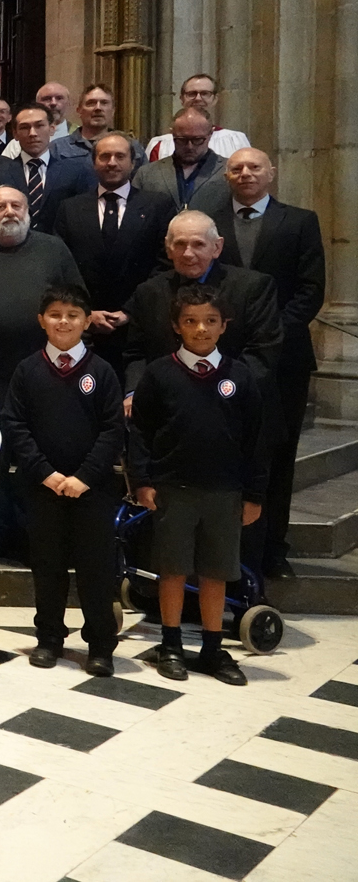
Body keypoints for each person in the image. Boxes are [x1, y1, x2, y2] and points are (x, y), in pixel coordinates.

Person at [129, 284, 268, 686]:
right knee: (172, 570)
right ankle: (171, 644)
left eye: (210, 321)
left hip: (225, 492)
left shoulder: (239, 376)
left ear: (224, 325)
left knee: (216, 572)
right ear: (177, 326)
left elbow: (257, 441)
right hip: (173, 488)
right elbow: (140, 432)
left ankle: (211, 647)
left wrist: (254, 494)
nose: (201, 330)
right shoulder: (159, 373)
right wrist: (142, 480)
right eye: (191, 322)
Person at [207, 148, 325, 577]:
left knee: (277, 453)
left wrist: (269, 333)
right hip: (219, 356)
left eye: (254, 167)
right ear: (226, 175)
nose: (245, 173)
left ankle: (274, 548)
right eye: (236, 167)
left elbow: (310, 291)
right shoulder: (209, 222)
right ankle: (224, 547)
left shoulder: (299, 221)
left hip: (284, 363)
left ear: (270, 173)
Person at [0, 185, 83, 557]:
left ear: (28, 211)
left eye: (16, 205)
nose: (8, 211)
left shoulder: (53, 249)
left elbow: (74, 302)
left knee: (40, 451)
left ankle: (35, 532)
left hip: (45, 374)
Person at [1, 285, 125, 676]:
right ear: (41, 321)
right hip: (44, 487)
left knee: (96, 569)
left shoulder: (101, 372)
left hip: (92, 490)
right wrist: (47, 474)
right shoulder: (28, 370)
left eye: (73, 315)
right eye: (55, 314)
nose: (63, 322)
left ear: (88, 321)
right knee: (47, 565)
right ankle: (49, 637)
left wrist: (84, 477)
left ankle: (101, 644)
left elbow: (112, 430)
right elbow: (16, 426)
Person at [121, 210, 282, 394]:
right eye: (180, 244)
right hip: (166, 402)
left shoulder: (253, 287)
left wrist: (215, 393)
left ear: (217, 247)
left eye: (198, 244)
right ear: (168, 248)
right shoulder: (148, 292)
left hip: (233, 402)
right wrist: (135, 392)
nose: (188, 254)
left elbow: (262, 353)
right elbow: (136, 353)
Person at [52, 132, 172, 368]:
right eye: (105, 156)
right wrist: (85, 312)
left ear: (133, 162)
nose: (112, 162)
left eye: (120, 156)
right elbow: (60, 265)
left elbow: (165, 263)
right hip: (84, 329)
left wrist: (130, 311)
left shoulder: (158, 205)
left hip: (140, 326)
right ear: (94, 162)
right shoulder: (70, 208)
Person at [10, 104, 95, 234]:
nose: (32, 133)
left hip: (61, 248)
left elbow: (84, 217)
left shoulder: (75, 171)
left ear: (52, 129)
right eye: (25, 127)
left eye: (39, 126)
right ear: (15, 133)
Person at [131, 106, 228, 213]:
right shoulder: (147, 174)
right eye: (182, 140)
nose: (189, 146)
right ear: (172, 134)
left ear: (211, 134)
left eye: (197, 140)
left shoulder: (229, 171)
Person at [145, 73, 250, 162]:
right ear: (182, 99)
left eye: (205, 93)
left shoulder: (235, 141)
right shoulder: (160, 145)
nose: (198, 98)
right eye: (191, 94)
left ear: (215, 99)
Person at [48, 85, 124, 165]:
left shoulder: (128, 146)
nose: (98, 108)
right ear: (79, 110)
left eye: (104, 103)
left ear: (113, 111)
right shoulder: (58, 148)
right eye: (91, 103)